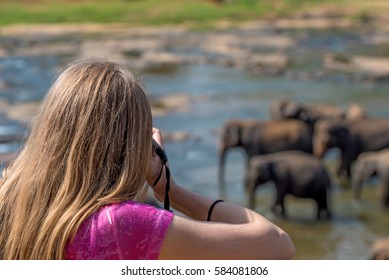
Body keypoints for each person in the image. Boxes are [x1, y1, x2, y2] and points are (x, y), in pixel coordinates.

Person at [0, 58, 295, 260]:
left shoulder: (10, 195)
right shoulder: (120, 224)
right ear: (133, 144)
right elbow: (277, 243)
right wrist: (171, 190)